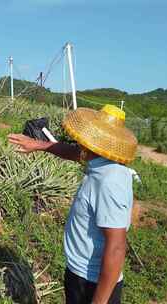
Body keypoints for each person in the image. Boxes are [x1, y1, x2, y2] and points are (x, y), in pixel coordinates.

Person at [8, 104, 138, 304]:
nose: (80, 140)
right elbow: (76, 153)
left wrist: (99, 302)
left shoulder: (109, 182)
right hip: (80, 272)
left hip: (92, 283)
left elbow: (117, 247)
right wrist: (38, 144)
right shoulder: (103, 162)